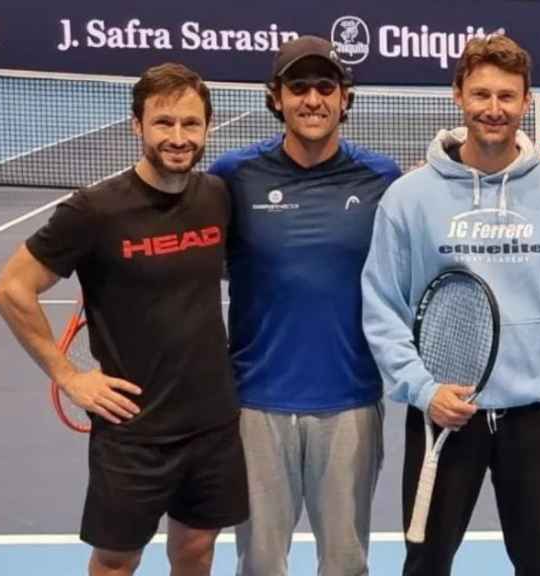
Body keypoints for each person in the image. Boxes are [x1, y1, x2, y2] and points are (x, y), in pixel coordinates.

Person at [361, 34, 540, 576]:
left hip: (536, 414)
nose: (493, 109)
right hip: (443, 414)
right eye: (480, 94)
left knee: (539, 562)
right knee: (425, 563)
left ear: (526, 101)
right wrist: (424, 390)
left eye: (506, 96)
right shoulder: (409, 198)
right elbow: (382, 307)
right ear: (457, 96)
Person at [0, 63, 247, 576]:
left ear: (208, 127)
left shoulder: (217, 198)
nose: (178, 137)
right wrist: (68, 376)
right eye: (164, 123)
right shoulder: (95, 211)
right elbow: (11, 288)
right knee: (115, 561)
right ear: (138, 125)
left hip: (213, 423)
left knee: (196, 549)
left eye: (190, 124)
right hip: (133, 432)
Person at [207, 35, 401, 576]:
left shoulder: (382, 179)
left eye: (325, 86)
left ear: (345, 98)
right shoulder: (233, 176)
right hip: (256, 404)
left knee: (344, 563)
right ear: (276, 98)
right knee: (261, 564)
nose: (312, 99)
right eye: (298, 87)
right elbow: (185, 254)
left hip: (350, 402)